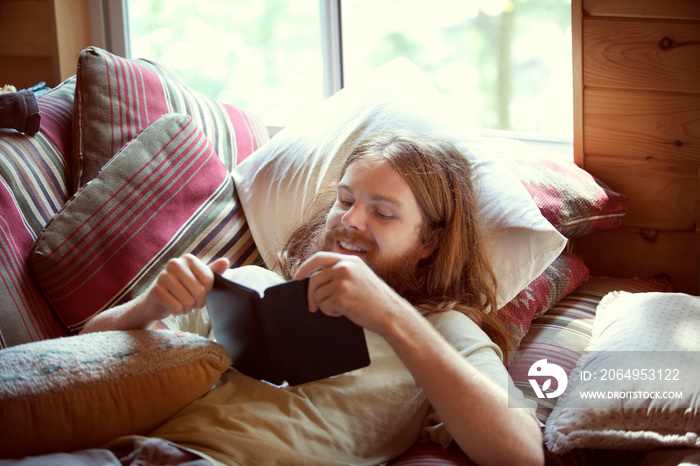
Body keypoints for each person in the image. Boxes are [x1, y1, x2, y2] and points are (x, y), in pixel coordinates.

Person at [82, 133, 544, 466]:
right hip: (123, 452)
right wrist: (148, 310)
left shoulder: (440, 329)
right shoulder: (248, 284)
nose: (351, 221)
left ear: (429, 242)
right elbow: (82, 354)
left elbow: (522, 452)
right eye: (345, 201)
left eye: (382, 213)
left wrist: (389, 315)